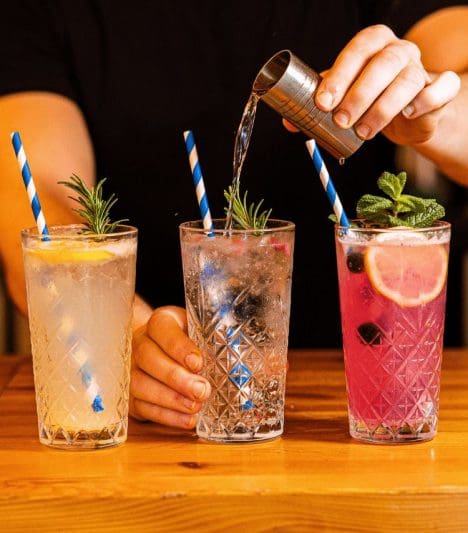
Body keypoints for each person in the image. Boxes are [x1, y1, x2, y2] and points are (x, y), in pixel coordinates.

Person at [0, 2, 467, 429]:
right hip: (160, 416)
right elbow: (35, 197)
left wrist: (431, 111)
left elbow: (456, 82)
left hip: (380, 393)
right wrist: (125, 336)